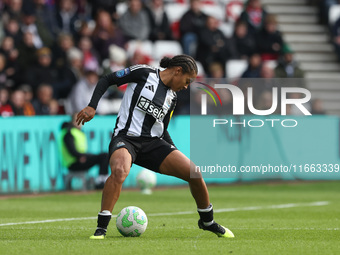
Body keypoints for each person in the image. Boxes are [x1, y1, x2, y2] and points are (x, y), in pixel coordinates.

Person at [76, 54, 235, 239]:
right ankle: (101, 228)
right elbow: (108, 79)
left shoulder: (172, 98)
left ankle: (208, 222)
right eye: (187, 80)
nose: (186, 86)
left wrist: (173, 150)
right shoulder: (143, 73)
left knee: (194, 173)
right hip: (126, 138)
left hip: (153, 143)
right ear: (177, 71)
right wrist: (92, 106)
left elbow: (162, 128)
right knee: (119, 171)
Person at [60, 113, 109, 189]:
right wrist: (80, 156)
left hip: (79, 159)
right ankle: (101, 181)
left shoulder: (76, 132)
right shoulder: (69, 133)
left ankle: (102, 180)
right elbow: (71, 150)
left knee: (104, 156)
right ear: (73, 121)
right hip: (74, 162)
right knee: (104, 156)